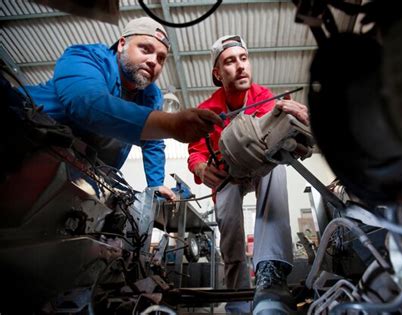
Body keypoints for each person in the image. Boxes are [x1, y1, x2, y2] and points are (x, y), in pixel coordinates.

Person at [25, 17, 221, 198]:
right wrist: (171, 124)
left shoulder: (151, 95)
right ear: (121, 45)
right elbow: (87, 104)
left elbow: (152, 143)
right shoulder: (85, 57)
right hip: (26, 139)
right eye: (145, 49)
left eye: (161, 58)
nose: (154, 61)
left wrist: (155, 185)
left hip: (82, 172)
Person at [188, 35, 309, 314]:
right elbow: (195, 152)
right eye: (230, 61)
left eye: (244, 58)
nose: (240, 66)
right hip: (227, 175)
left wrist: (296, 124)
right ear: (217, 73)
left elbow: (279, 133)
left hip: (258, 166)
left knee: (275, 168)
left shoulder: (265, 97)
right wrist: (200, 167)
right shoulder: (207, 110)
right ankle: (237, 299)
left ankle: (271, 271)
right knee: (229, 219)